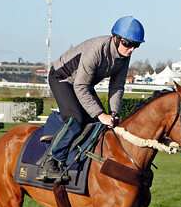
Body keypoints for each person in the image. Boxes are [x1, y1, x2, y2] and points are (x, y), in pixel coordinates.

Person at [35, 16, 144, 181]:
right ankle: (49, 161)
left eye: (136, 45)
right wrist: (101, 114)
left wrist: (113, 113)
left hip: (83, 85)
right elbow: (80, 87)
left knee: (100, 123)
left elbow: (117, 87)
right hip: (62, 79)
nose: (131, 49)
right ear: (116, 38)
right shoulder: (96, 50)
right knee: (75, 119)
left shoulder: (124, 57)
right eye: (128, 43)